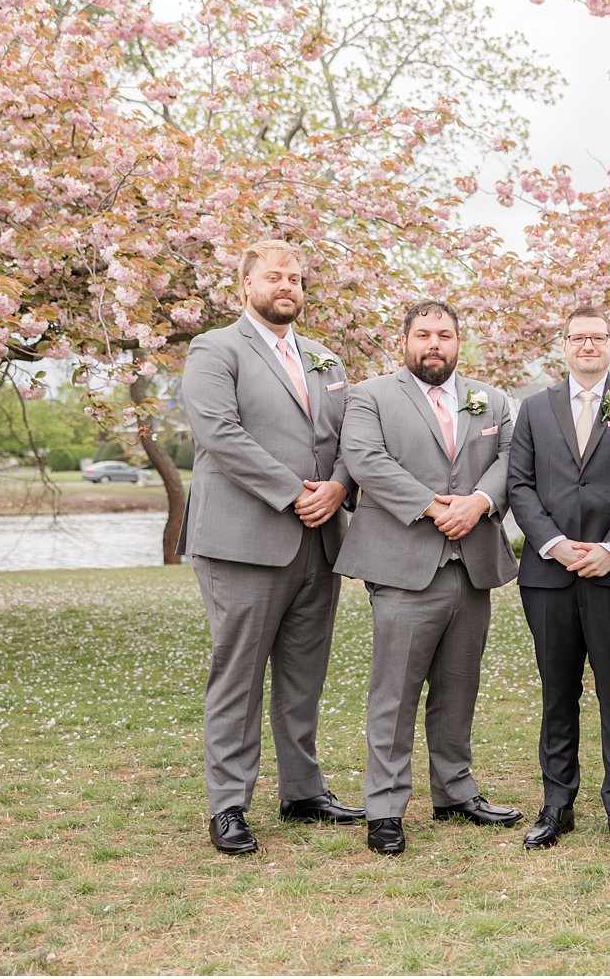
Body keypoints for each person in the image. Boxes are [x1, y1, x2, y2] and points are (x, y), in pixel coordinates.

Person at [179, 238, 364, 856]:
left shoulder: (325, 360)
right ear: (245, 285)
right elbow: (220, 434)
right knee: (238, 675)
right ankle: (229, 804)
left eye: (296, 278)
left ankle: (303, 790)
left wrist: (338, 487)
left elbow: (353, 440)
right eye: (274, 277)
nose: (287, 286)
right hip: (243, 541)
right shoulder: (215, 349)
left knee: (303, 675)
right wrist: (293, 493)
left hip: (320, 541)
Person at [334, 300, 522, 855]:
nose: (433, 343)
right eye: (423, 334)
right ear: (406, 341)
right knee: (394, 692)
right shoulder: (370, 396)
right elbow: (365, 459)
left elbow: (513, 458)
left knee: (459, 685)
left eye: (444, 334)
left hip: (474, 561)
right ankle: (386, 808)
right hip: (403, 563)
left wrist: (481, 500)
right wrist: (434, 507)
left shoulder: (493, 399)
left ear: (459, 340)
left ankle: (455, 791)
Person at [506, 305, 610, 853]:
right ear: (564, 345)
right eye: (578, 338)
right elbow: (520, 486)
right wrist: (553, 544)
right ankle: (557, 804)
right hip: (548, 575)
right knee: (558, 690)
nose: (588, 345)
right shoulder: (532, 410)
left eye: (598, 337)